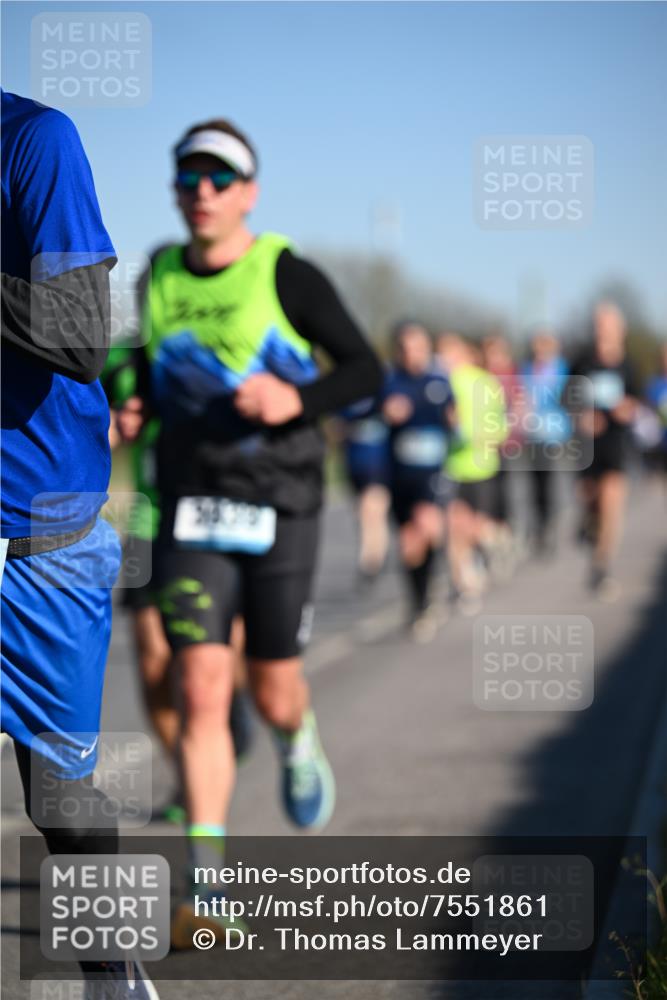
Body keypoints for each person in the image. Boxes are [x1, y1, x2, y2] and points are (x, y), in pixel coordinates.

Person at [117, 117, 382, 947]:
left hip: (282, 503)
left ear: (249, 194)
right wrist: (130, 399)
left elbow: (365, 370)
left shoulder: (285, 272)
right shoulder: (156, 272)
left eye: (219, 178)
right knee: (199, 686)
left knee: (269, 687)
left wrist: (295, 400)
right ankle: (209, 888)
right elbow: (151, 368)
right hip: (192, 501)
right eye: (188, 176)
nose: (202, 191)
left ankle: (296, 735)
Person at [1, 90, 159, 999]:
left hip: (39, 543)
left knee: (57, 801)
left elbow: (78, 336)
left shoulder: (34, 141)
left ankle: (111, 969)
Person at [382, 321, 454, 641]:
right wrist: (387, 412)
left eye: (417, 347)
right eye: (405, 348)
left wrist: (454, 420)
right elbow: (371, 416)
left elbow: (453, 421)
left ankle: (427, 594)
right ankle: (419, 599)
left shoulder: (439, 381)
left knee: (427, 524)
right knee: (408, 541)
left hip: (432, 472)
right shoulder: (390, 381)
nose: (411, 354)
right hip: (399, 473)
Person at [569, 302, 640, 599]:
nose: (603, 330)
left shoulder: (628, 365)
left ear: (619, 329)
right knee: (592, 501)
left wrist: (627, 409)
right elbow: (567, 397)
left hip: (616, 443)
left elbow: (638, 402)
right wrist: (582, 416)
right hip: (588, 445)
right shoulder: (583, 361)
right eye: (599, 324)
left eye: (609, 324)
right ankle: (588, 524)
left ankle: (603, 566)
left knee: (612, 503)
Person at [436, 333, 508, 614]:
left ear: (463, 352)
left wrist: (480, 436)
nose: (443, 359)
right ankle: (466, 585)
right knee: (453, 528)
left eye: (448, 353)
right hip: (451, 466)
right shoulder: (440, 384)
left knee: (476, 528)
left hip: (481, 466)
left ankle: (492, 544)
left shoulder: (485, 383)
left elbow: (500, 427)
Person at [519, 330, 571, 554]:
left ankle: (549, 522)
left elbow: (567, 397)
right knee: (534, 480)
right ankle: (539, 523)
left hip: (553, 431)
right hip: (533, 431)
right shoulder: (526, 369)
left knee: (548, 478)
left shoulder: (561, 369)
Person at [336, 393, 391, 585]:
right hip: (354, 464)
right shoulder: (346, 398)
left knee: (372, 510)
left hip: (379, 464)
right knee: (363, 513)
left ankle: (371, 558)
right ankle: (374, 553)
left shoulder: (384, 390)